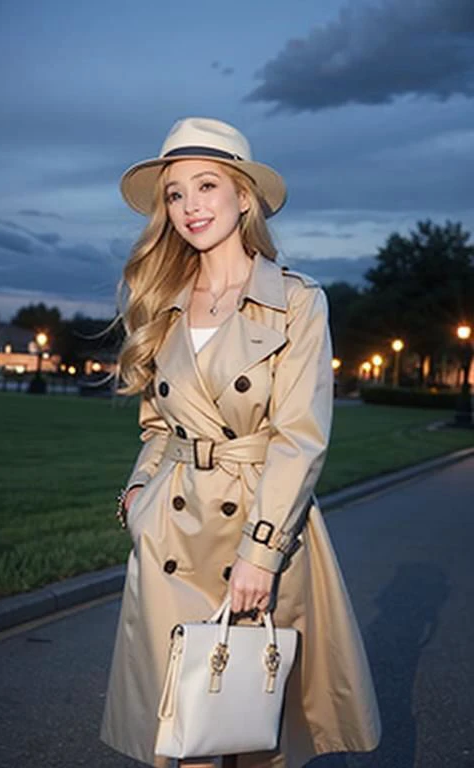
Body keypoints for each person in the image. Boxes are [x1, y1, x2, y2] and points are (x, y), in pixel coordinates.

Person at [100, 117, 381, 768]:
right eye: (174, 194)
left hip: (258, 528)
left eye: (206, 185)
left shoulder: (296, 302)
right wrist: (141, 491)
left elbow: (300, 438)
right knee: (184, 733)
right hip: (173, 530)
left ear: (244, 196)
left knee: (252, 727)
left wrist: (261, 551)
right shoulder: (163, 300)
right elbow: (157, 424)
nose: (190, 206)